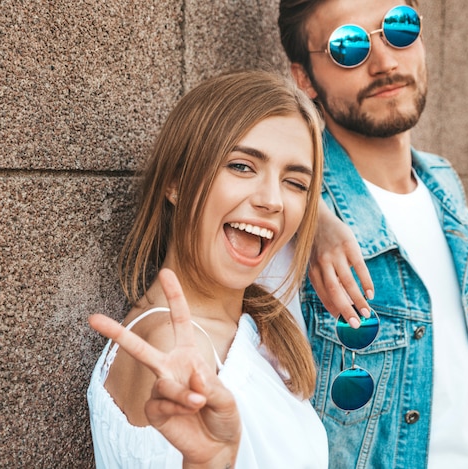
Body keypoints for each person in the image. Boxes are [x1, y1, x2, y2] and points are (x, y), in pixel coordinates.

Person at [277, 0, 468, 468]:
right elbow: (205, 147)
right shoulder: (290, 208)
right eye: (349, 46)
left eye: (399, 29)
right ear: (304, 78)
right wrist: (309, 211)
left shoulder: (443, 183)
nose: (385, 62)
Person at [86, 70, 330, 468]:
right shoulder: (177, 347)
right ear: (176, 182)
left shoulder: (248, 325)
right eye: (242, 166)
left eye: (295, 183)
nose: (273, 201)